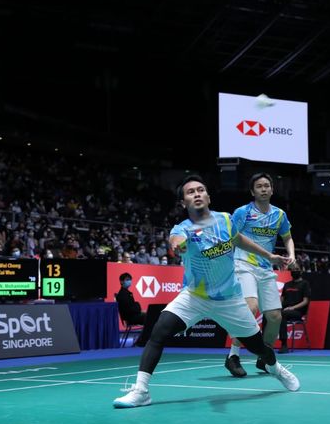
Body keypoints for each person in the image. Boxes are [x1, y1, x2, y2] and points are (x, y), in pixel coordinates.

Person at [113, 175, 299, 409]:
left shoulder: (225, 220)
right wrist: (177, 245)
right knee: (159, 331)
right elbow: (176, 241)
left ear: (208, 197)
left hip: (229, 298)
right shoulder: (183, 229)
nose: (197, 194)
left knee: (259, 347)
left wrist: (269, 256)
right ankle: (141, 390)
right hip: (195, 297)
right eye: (190, 192)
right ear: (184, 203)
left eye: (201, 190)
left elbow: (239, 240)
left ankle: (275, 368)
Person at [224, 172, 296, 377]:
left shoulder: (279, 215)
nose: (263, 189)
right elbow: (231, 238)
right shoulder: (242, 213)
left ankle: (264, 358)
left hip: (266, 268)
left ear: (272, 190)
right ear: (252, 191)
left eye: (267, 185)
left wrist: (291, 255)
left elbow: (288, 238)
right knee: (251, 307)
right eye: (259, 186)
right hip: (243, 264)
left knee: (274, 316)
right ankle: (233, 356)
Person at [278, 267, 311, 353]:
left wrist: (292, 307)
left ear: (301, 271)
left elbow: (305, 301)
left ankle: (284, 345)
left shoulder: (305, 284)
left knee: (282, 314)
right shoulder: (287, 284)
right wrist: (276, 308)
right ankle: (265, 344)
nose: (294, 271)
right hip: (285, 310)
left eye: (297, 269)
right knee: (269, 314)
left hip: (298, 311)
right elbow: (282, 298)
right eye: (293, 269)